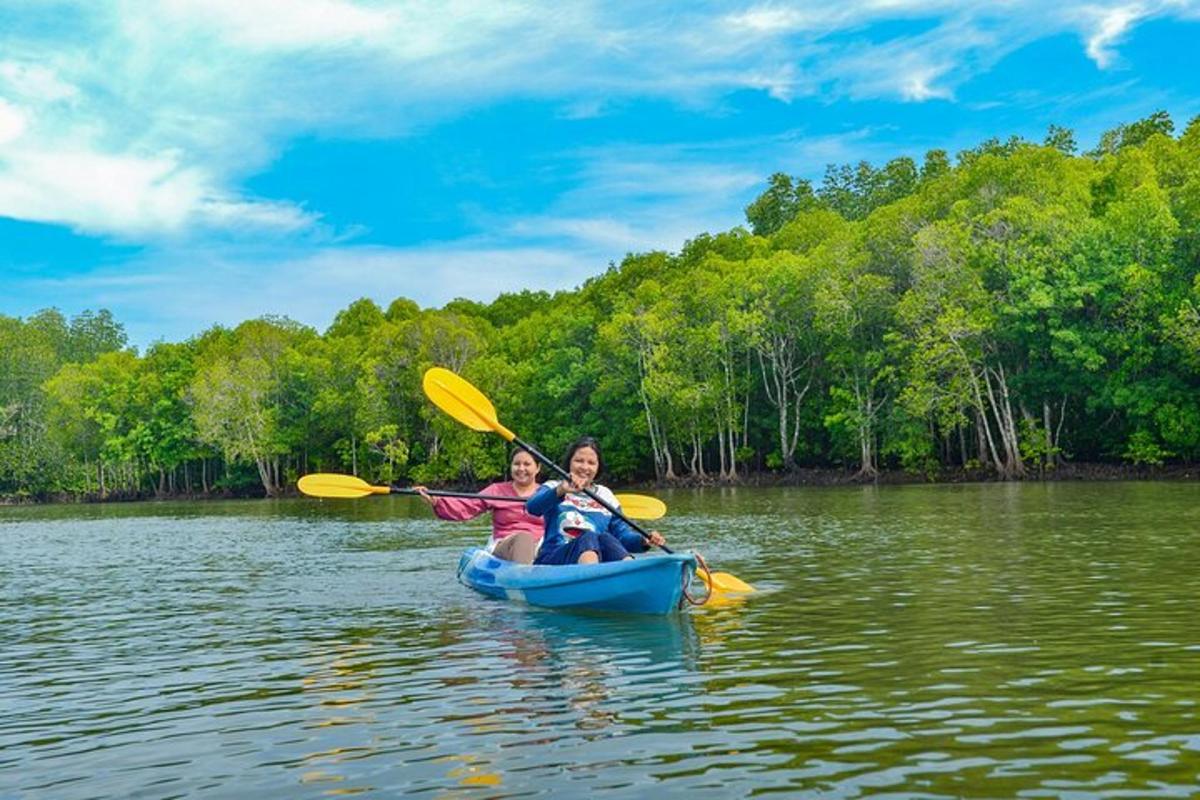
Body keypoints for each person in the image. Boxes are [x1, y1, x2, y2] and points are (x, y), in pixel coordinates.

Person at [526, 436, 666, 565]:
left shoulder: (605, 495)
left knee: (606, 538)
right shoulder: (553, 486)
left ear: (598, 467)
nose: (585, 467)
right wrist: (560, 490)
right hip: (554, 558)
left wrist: (643, 541)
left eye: (591, 463)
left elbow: (622, 537)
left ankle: (630, 574)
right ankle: (591, 580)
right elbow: (532, 508)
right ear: (569, 462)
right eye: (579, 461)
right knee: (588, 536)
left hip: (596, 559)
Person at [416, 448, 544, 563]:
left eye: (527, 464)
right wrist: (436, 501)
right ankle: (522, 578)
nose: (521, 469)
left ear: (538, 468)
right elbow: (467, 506)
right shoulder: (496, 491)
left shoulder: (548, 492)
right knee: (524, 538)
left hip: (541, 546)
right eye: (516, 464)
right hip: (506, 545)